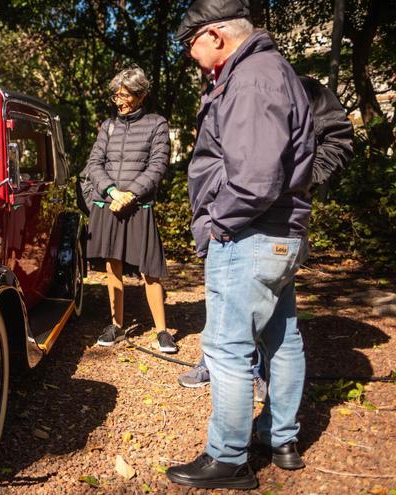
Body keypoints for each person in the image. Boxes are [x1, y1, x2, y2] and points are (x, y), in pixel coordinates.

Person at [164, 0, 316, 490]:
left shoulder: (250, 78)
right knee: (282, 336)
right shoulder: (272, 69)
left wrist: (214, 224)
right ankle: (281, 439)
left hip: (250, 231)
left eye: (191, 44)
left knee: (227, 349)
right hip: (279, 234)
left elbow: (253, 178)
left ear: (216, 35)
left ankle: (228, 458)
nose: (191, 55)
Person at [176, 74, 354, 392]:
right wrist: (205, 216)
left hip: (274, 222)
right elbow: (207, 159)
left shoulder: (297, 87)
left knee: (267, 303)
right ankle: (213, 360)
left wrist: (302, 178)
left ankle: (257, 369)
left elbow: (337, 137)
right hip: (219, 217)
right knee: (220, 294)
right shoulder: (218, 89)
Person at [82, 66, 176, 353]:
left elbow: (158, 165)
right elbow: (95, 164)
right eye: (116, 96)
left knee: (151, 270)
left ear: (141, 95)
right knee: (113, 266)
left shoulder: (157, 124)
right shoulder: (107, 127)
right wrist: (112, 191)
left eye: (125, 96)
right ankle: (116, 326)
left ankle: (162, 331)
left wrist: (131, 194)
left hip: (139, 206)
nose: (120, 101)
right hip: (109, 203)